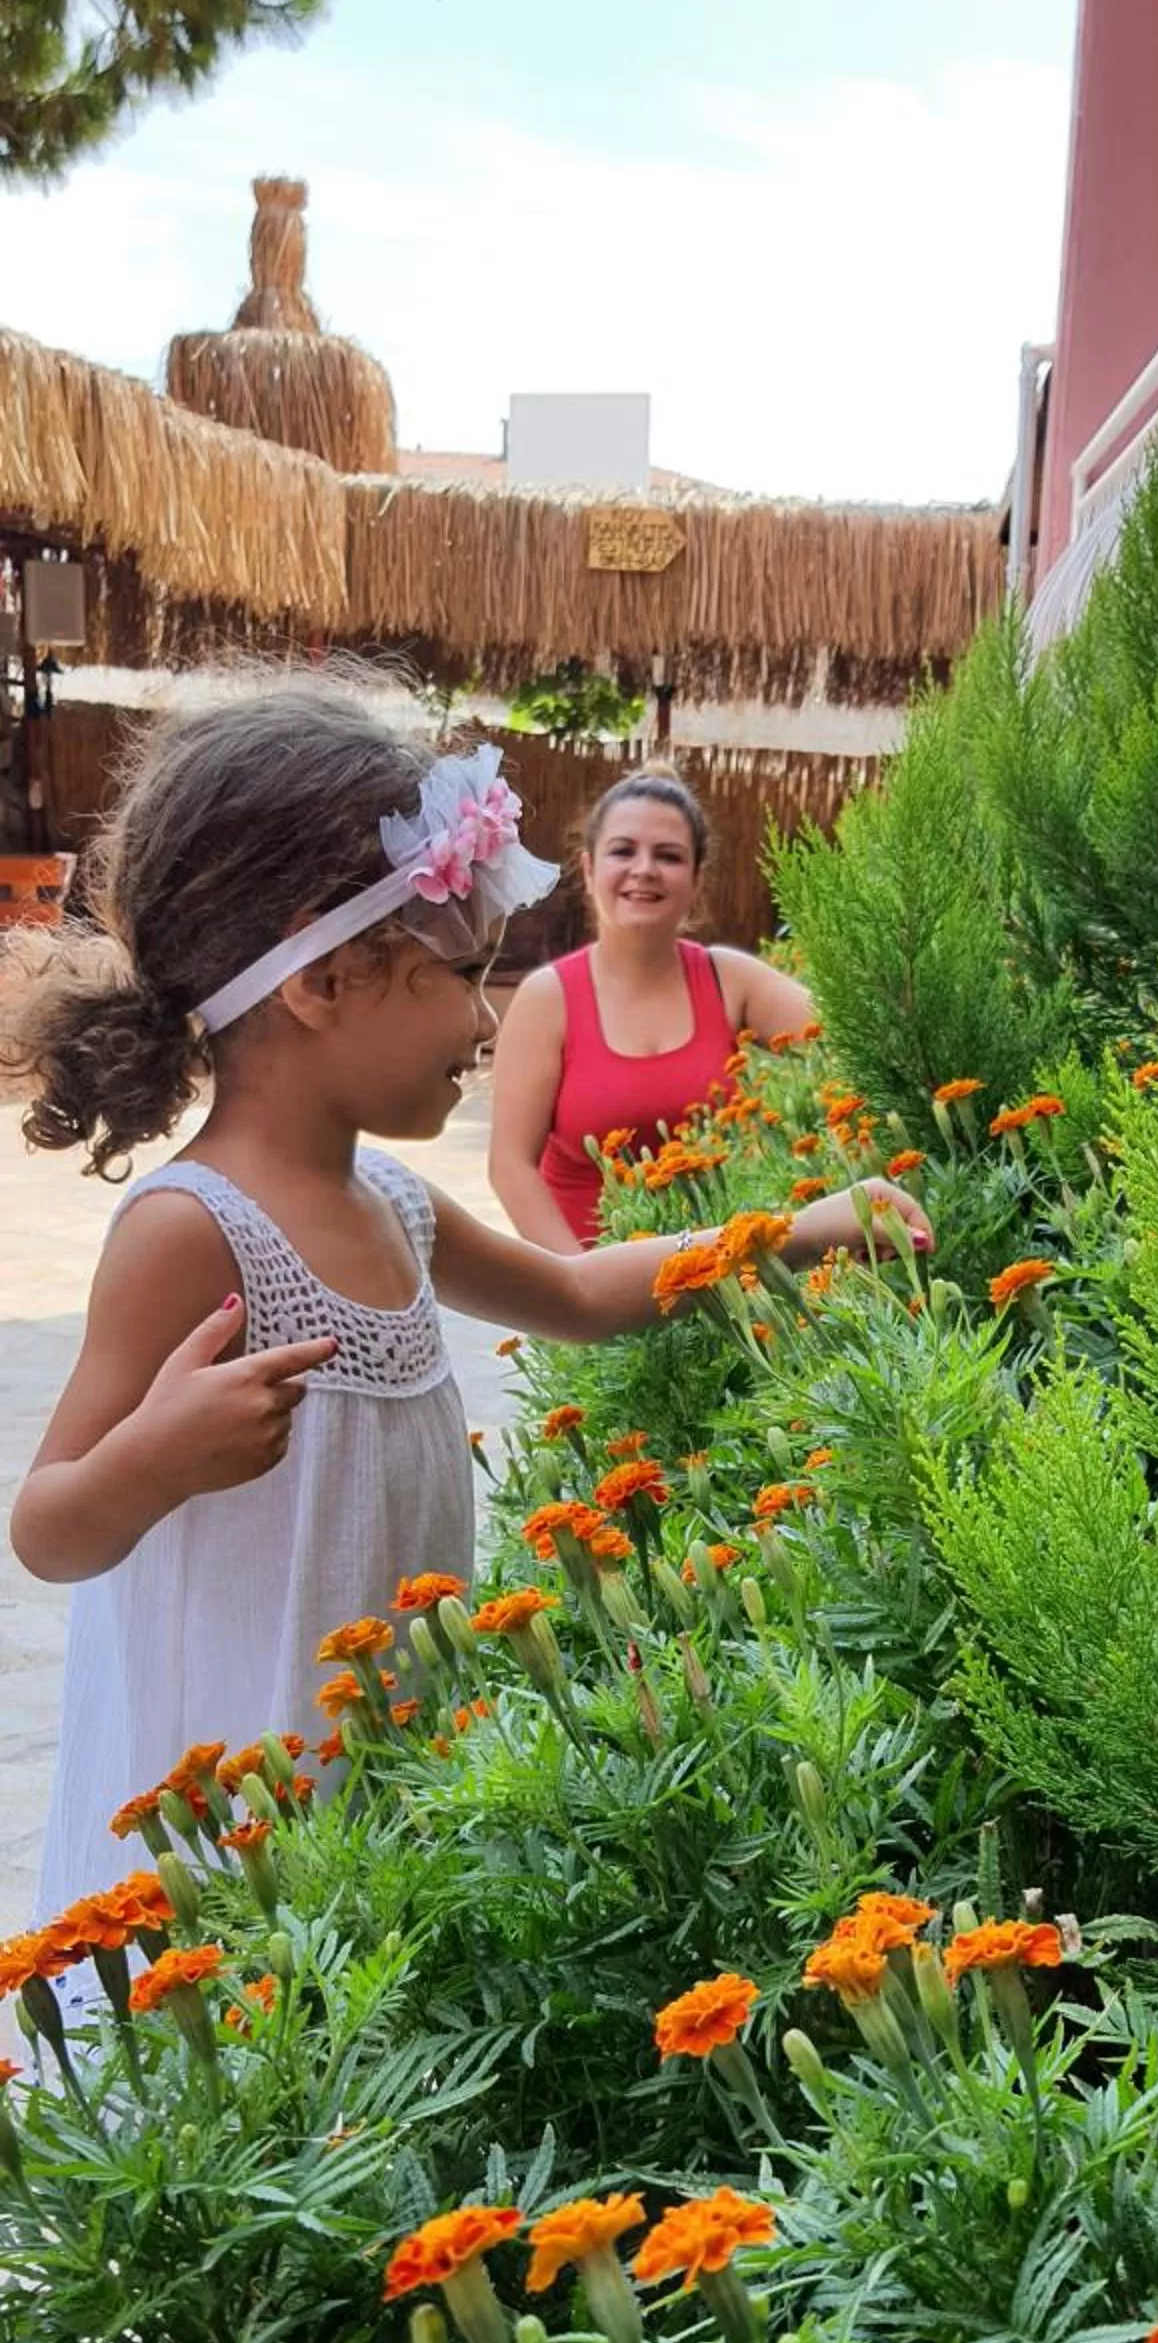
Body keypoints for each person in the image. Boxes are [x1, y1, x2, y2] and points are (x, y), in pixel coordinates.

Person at [4, 680, 932, 1940]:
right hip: (238, 1792)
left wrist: (791, 1229)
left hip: (383, 1765)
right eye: (459, 973)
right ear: (323, 977)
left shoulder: (392, 1199)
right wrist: (156, 1458)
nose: (487, 1018)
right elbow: (49, 1530)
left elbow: (579, 1293)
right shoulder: (194, 1230)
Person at [489, 767, 816, 1249]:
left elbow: (851, 1042)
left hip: (721, 1279)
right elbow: (510, 1167)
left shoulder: (730, 980)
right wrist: (581, 1282)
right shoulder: (547, 999)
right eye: (623, 851)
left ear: (697, 879)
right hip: (588, 1276)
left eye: (669, 856)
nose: (644, 869)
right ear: (589, 869)